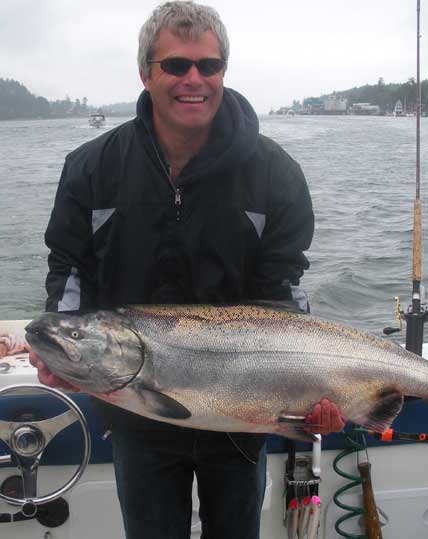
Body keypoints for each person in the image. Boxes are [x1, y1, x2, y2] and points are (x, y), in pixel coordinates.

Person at [29, 2, 344, 538]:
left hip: (244, 417)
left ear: (224, 71)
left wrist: (316, 394)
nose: (193, 79)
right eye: (176, 66)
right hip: (135, 412)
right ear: (146, 72)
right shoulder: (92, 167)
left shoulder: (275, 174)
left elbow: (283, 294)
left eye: (209, 66)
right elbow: (69, 268)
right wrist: (61, 348)